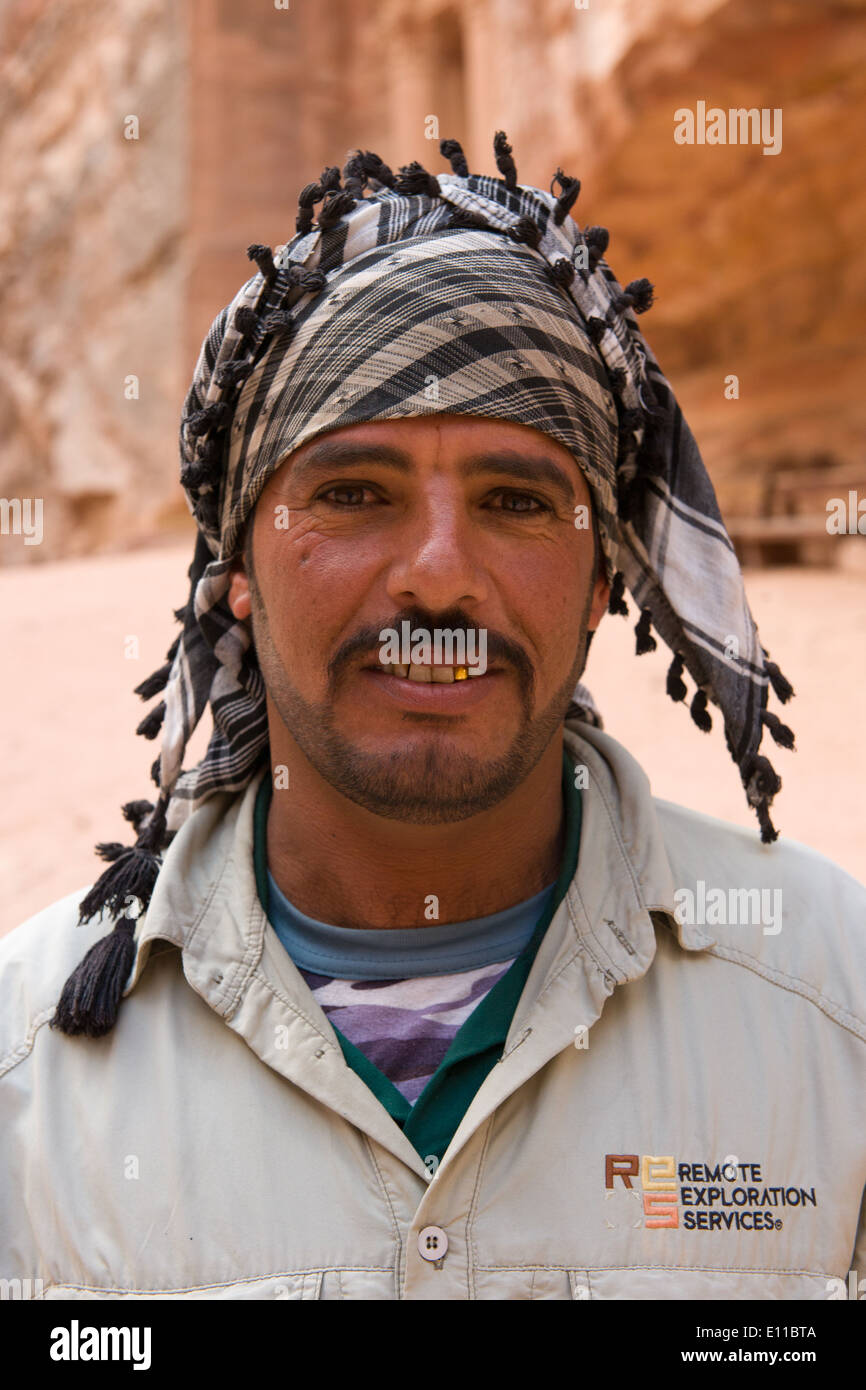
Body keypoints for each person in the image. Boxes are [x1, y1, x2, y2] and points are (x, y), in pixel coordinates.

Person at [1, 136, 863, 1302]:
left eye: (515, 501)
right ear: (236, 568)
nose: (440, 576)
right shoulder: (26, 1072)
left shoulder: (832, 1010)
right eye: (354, 494)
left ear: (605, 574)